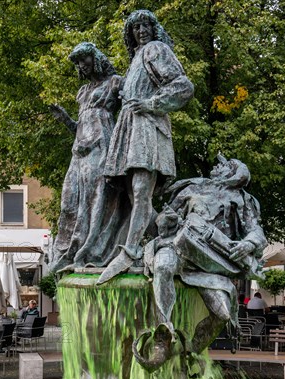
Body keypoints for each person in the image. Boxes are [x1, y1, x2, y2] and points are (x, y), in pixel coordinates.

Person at [98, 9, 194, 284]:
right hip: (129, 127)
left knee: (140, 192)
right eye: (135, 27)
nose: (141, 31)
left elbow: (183, 86)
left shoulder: (155, 49)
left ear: (154, 29)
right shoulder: (136, 59)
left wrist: (152, 104)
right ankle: (169, 239)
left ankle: (129, 252)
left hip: (145, 127)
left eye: (145, 25)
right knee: (134, 196)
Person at [142, 155, 267, 358]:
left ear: (234, 173)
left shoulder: (242, 199)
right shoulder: (192, 189)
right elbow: (161, 223)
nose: (217, 165)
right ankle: (162, 332)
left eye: (225, 165)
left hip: (210, 261)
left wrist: (248, 244)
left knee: (223, 314)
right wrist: (168, 219)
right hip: (178, 247)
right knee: (163, 267)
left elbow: (256, 231)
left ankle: (190, 353)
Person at [49, 42, 128, 272]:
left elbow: (130, 112)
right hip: (79, 150)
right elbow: (80, 127)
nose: (82, 65)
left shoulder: (115, 83)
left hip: (102, 144)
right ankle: (70, 250)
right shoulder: (82, 92)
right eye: (78, 63)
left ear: (96, 57)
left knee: (95, 198)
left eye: (84, 59)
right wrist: (65, 119)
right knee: (69, 199)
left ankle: (91, 250)